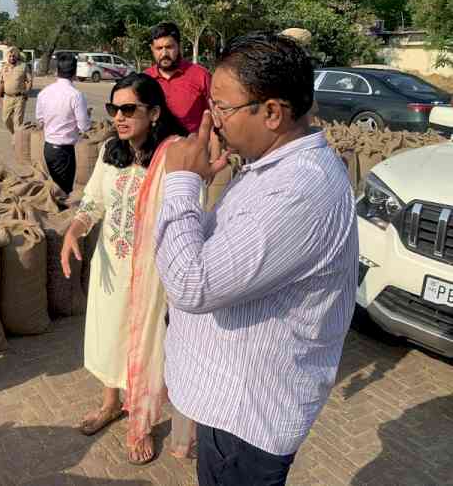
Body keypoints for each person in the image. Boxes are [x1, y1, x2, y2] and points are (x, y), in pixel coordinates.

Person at [155, 34, 358, 485]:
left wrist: (183, 183)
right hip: (234, 401)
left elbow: (192, 284)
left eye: (222, 109)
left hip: (247, 417)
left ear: (271, 113)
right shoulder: (268, 167)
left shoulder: (298, 190)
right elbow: (219, 252)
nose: (213, 120)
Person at [60, 73, 194, 465]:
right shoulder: (109, 152)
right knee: (108, 337)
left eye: (128, 109)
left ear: (154, 113)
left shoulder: (174, 155)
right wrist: (75, 231)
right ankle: (110, 403)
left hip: (152, 273)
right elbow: (93, 201)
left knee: (145, 343)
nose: (119, 117)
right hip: (109, 265)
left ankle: (142, 420)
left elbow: (187, 213)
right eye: (113, 108)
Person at [35, 53, 91, 194]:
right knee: (63, 192)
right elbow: (84, 126)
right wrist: (86, 116)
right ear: (74, 72)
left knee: (54, 188)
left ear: (57, 71)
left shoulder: (44, 93)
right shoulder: (76, 95)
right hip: (64, 151)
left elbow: (40, 120)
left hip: (48, 148)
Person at [144, 22, 211, 133]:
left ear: (179, 46)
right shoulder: (145, 79)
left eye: (169, 47)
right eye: (159, 48)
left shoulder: (201, 75)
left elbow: (216, 113)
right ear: (152, 49)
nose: (164, 53)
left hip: (193, 146)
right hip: (155, 148)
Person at [0, 46, 32, 139]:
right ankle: (14, 134)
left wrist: (26, 92)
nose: (12, 58)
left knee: (17, 122)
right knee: (6, 119)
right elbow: (1, 84)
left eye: (14, 56)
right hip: (7, 97)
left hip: (19, 98)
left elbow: (29, 81)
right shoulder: (4, 67)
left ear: (17, 56)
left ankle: (17, 140)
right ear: (7, 57)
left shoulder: (23, 66)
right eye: (10, 56)